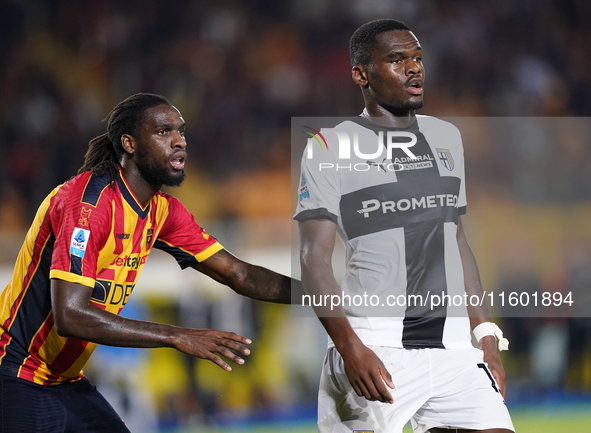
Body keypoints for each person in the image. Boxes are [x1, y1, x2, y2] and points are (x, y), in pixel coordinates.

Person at [0, 93, 301, 432]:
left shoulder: (163, 212)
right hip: (14, 371)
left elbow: (240, 274)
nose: (178, 141)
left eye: (181, 131)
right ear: (129, 143)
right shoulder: (87, 205)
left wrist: (324, 293)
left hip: (61, 380)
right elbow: (70, 316)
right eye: (163, 131)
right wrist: (177, 336)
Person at [294, 19, 514, 433]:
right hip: (376, 344)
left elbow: (457, 240)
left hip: (451, 348)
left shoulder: (446, 136)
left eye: (417, 58)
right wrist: (349, 348)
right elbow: (314, 258)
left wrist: (484, 331)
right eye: (397, 60)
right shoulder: (329, 147)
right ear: (361, 73)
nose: (413, 68)